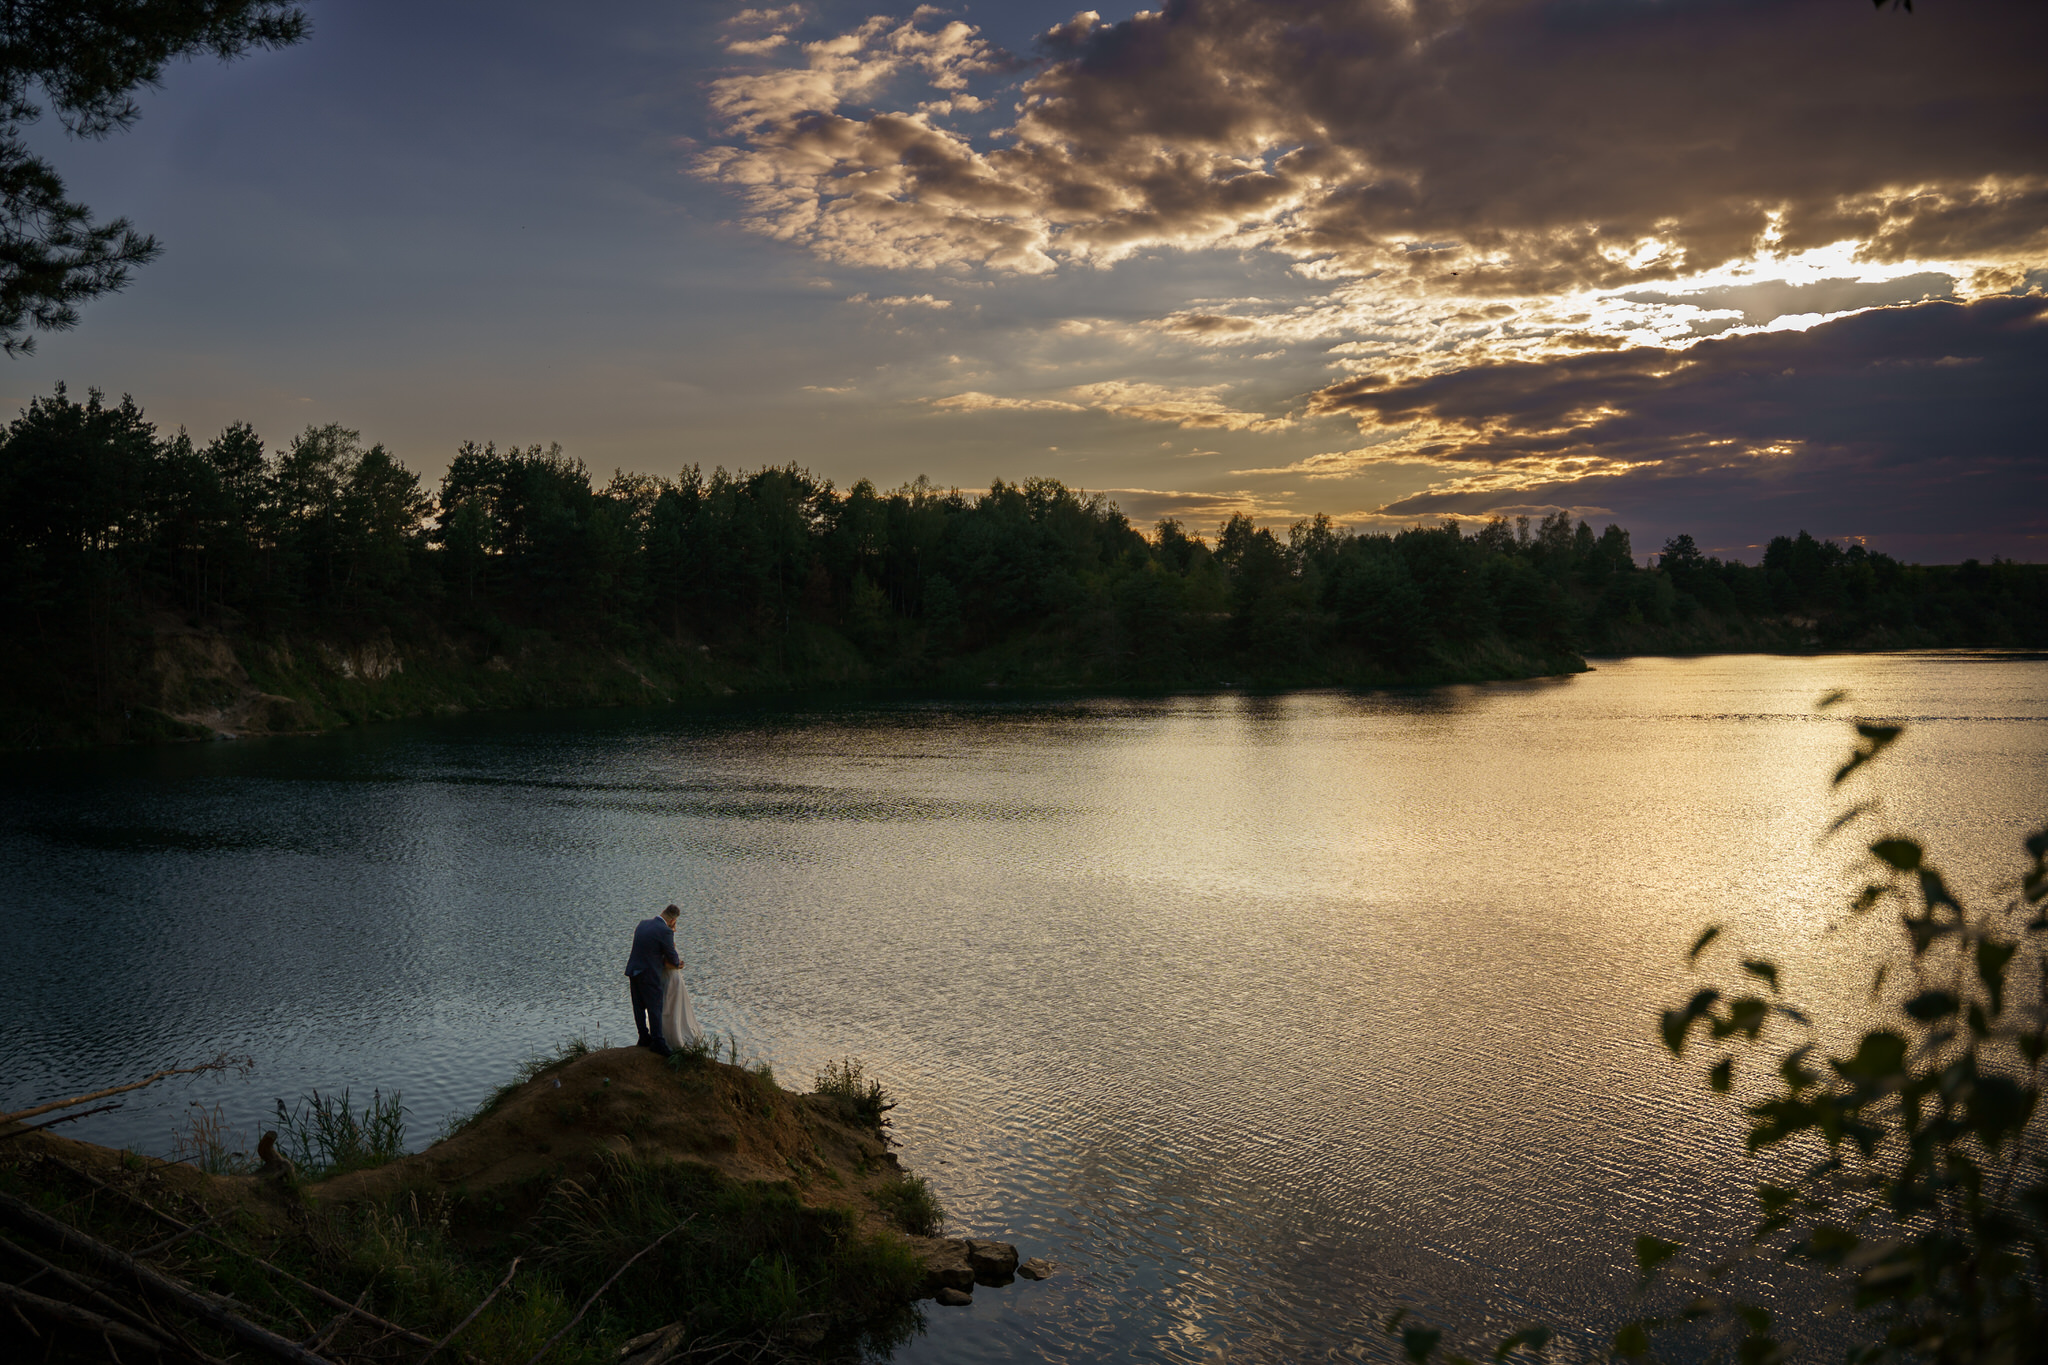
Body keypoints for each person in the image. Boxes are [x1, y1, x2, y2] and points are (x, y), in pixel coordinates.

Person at [625, 904, 683, 1054]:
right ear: (673, 920)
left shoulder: (642, 924)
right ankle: (658, 1041)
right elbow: (673, 958)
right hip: (649, 973)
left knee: (638, 1007)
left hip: (633, 970)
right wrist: (677, 963)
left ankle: (643, 1036)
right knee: (654, 1007)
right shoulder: (665, 931)